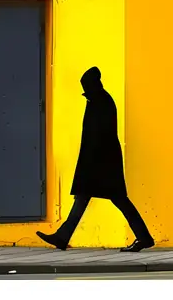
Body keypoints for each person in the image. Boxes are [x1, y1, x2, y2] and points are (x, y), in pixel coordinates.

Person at [36, 66, 154, 252]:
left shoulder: (101, 102)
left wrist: (89, 164)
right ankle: (62, 236)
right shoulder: (99, 100)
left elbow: (99, 136)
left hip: (102, 163)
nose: (85, 92)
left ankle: (144, 237)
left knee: (116, 200)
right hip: (100, 162)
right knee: (86, 198)